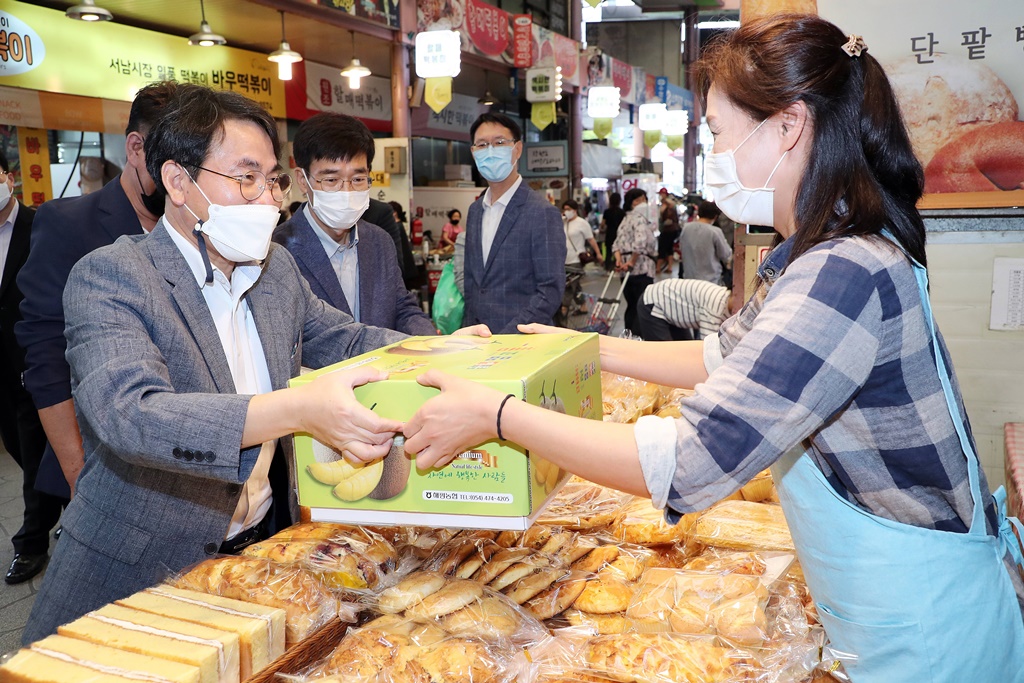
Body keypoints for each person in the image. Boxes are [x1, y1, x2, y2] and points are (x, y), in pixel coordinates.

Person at [400, 15, 1024, 679]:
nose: (715, 155)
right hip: (887, 608)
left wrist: (497, 417)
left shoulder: (841, 273)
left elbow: (691, 463)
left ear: (787, 127)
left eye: (719, 133)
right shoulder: (813, 254)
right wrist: (585, 351)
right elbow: (719, 358)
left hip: (926, 631)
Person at [21, 85, 411, 643]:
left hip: (255, 554)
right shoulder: (113, 275)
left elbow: (346, 339)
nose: (268, 200)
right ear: (180, 182)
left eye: (272, 179)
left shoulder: (273, 271)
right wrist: (296, 409)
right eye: (245, 178)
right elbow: (130, 413)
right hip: (137, 569)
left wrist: (454, 350)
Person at [17, 81, 179, 501]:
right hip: (107, 458)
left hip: (188, 453)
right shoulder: (69, 225)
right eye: (167, 162)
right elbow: (47, 358)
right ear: (136, 148)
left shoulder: (196, 224)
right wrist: (78, 475)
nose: (176, 179)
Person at [273, 113, 436, 336]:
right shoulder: (277, 250)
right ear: (302, 180)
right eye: (331, 180)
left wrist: (431, 344)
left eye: (358, 179)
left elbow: (402, 308)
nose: (347, 191)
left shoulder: (379, 241)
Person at [0, 154, 64, 585]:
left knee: (38, 446)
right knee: (20, 449)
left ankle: (32, 542)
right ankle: (61, 502)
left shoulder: (41, 225)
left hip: (36, 365)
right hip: (1, 371)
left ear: (8, 178)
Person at [462, 112, 565, 333]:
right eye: (482, 145)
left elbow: (550, 290)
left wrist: (507, 337)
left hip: (524, 344)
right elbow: (472, 284)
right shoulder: (475, 211)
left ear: (517, 149)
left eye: (499, 142)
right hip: (479, 343)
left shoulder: (542, 212)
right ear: (473, 152)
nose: (490, 151)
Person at [611, 188, 656, 337]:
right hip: (641, 267)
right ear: (631, 203)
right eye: (638, 200)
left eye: (644, 199)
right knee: (642, 305)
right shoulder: (639, 219)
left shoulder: (625, 219)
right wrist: (631, 261)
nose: (642, 203)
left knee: (631, 305)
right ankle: (639, 337)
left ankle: (628, 335)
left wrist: (619, 261)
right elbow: (640, 242)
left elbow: (616, 244)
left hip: (625, 271)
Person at [637, 278, 731, 342]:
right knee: (665, 356)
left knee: (684, 350)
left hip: (674, 309)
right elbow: (708, 349)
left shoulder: (732, 304)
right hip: (654, 301)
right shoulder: (716, 306)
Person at [678, 200, 732, 285]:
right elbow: (725, 254)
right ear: (715, 216)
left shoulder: (686, 228)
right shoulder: (715, 232)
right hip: (711, 282)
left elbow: (682, 248)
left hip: (689, 280)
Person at [562, 199, 600, 269]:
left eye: (568, 209)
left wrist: (598, 254)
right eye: (564, 210)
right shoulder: (563, 222)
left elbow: (591, 239)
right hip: (563, 260)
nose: (566, 212)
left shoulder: (582, 223)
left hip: (576, 259)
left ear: (574, 210)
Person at [600, 192, 624, 272]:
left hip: (610, 233)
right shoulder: (622, 212)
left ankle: (608, 268)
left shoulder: (607, 211)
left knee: (608, 252)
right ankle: (618, 265)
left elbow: (602, 224)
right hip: (620, 234)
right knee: (619, 251)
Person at [656, 194, 680, 275]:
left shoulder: (667, 210)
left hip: (667, 231)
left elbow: (664, 221)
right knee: (670, 248)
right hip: (673, 231)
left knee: (662, 248)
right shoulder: (673, 209)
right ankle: (669, 267)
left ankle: (658, 268)